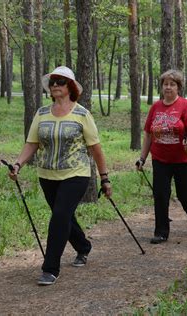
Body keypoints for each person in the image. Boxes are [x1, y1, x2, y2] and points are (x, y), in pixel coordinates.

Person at [8, 66, 112, 286]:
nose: (55, 85)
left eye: (61, 81)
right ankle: (83, 247)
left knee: (59, 217)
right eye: (53, 81)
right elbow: (32, 143)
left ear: (70, 87)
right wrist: (18, 164)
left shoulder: (82, 114)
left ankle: (50, 268)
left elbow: (96, 149)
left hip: (76, 174)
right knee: (63, 215)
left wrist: (104, 178)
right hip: (47, 174)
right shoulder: (42, 113)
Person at [136, 69, 187, 244]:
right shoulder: (155, 107)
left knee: (184, 194)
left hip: (183, 158)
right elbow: (149, 135)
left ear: (178, 87)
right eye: (165, 84)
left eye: (172, 84)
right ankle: (161, 232)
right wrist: (142, 158)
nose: (168, 87)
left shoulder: (186, 105)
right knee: (160, 194)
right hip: (160, 159)